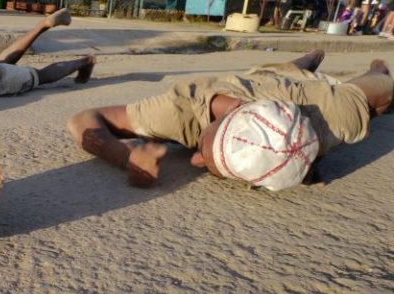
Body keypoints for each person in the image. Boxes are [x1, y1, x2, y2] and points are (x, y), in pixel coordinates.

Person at [67, 50, 393, 191]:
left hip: (303, 97)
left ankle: (302, 67)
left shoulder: (332, 119)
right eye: (203, 151)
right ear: (228, 113)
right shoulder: (181, 109)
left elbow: (383, 90)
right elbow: (81, 119)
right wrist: (124, 157)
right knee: (277, 73)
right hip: (257, 83)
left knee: (378, 98)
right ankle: (301, 64)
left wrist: (380, 76)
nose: (193, 160)